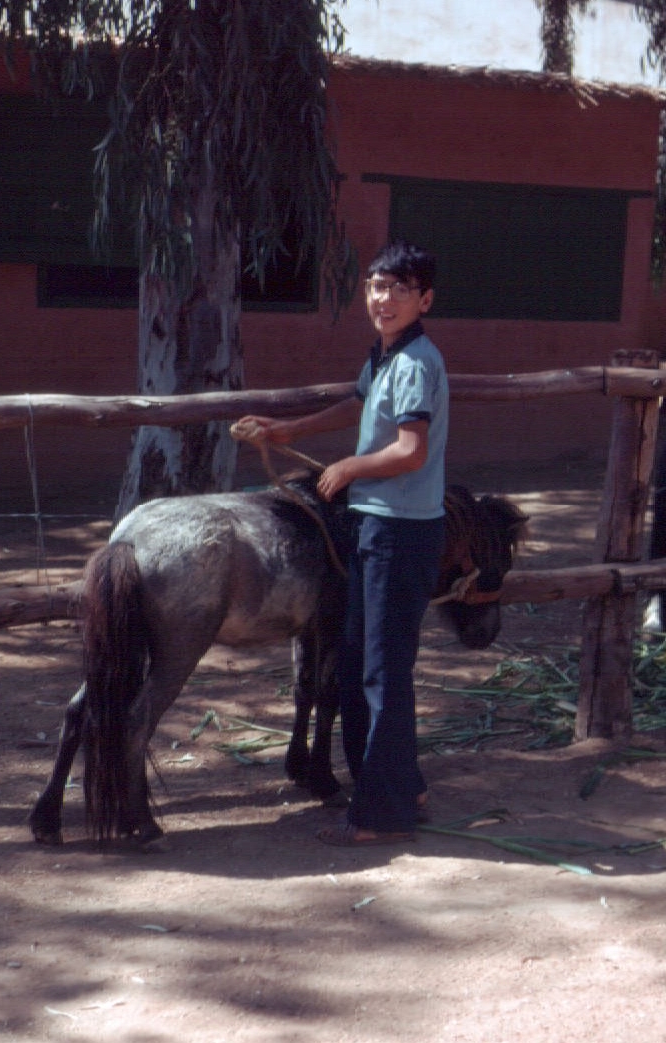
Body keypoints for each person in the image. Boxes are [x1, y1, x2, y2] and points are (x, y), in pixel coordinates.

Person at [235, 240, 447, 846]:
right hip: (378, 523)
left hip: (399, 529)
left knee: (380, 671)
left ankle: (384, 814)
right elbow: (357, 404)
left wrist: (350, 469)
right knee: (361, 664)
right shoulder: (386, 355)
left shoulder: (413, 363)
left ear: (424, 299)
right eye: (377, 287)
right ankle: (403, 786)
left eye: (400, 289)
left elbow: (412, 451)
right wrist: (287, 429)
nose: (384, 299)